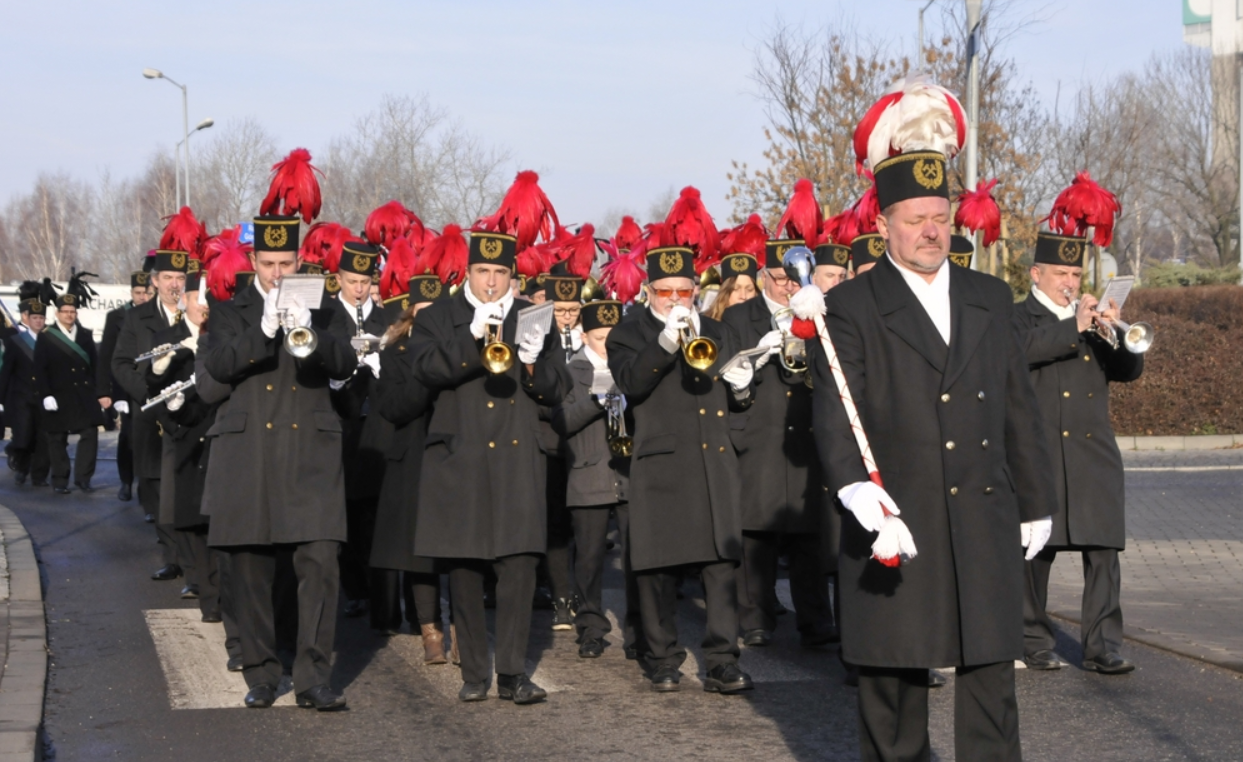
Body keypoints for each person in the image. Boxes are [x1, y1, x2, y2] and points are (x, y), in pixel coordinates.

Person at [810, 80, 1055, 761]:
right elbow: (835, 409)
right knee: (892, 688)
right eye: (914, 217)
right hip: (897, 513)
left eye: (939, 215)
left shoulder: (988, 296)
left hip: (981, 515)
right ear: (883, 223)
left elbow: (1016, 405)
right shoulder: (852, 308)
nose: (929, 230)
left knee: (989, 685)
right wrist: (857, 491)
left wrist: (1035, 498)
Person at [201, 194, 357, 711]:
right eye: (266, 264)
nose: (275, 273)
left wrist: (307, 325)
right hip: (250, 456)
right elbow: (218, 368)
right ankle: (262, 673)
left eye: (284, 264)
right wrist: (265, 328)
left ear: (299, 262)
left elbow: (345, 362)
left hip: (310, 456)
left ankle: (312, 675)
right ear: (252, 263)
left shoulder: (326, 304)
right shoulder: (229, 312)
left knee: (320, 565)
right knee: (251, 568)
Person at [408, 230, 552, 705]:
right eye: (483, 272)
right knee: (465, 567)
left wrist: (532, 366)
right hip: (460, 453)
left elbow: (559, 388)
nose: (492, 283)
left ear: (512, 276)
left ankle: (512, 672)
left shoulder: (532, 314)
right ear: (467, 272)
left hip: (515, 457)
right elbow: (425, 370)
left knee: (519, 565)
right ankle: (474, 670)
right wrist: (472, 337)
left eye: (501, 274)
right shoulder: (442, 316)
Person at [606, 245, 756, 694]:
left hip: (713, 458)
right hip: (663, 462)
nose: (675, 299)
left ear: (696, 290)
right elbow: (631, 383)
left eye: (684, 291)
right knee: (657, 567)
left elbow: (733, 394)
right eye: (666, 291)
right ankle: (661, 656)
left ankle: (723, 660)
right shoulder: (628, 333)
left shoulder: (717, 329)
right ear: (649, 291)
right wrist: (666, 342)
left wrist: (744, 390)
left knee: (720, 563)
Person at [1016, 218, 1142, 676]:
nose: (1069, 283)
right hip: (1041, 451)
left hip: (1093, 455)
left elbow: (1128, 372)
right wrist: (1074, 325)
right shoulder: (1016, 317)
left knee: (1103, 552)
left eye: (1074, 275)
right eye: (1059, 274)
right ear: (1036, 274)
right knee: (1036, 552)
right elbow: (1019, 351)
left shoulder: (1090, 323)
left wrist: (1116, 332)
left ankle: (1103, 645)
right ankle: (1032, 640)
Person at [722, 243, 835, 649]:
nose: (789, 286)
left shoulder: (819, 311)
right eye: (780, 279)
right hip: (760, 432)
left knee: (810, 537)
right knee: (757, 536)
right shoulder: (739, 317)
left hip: (806, 433)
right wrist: (754, 360)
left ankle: (816, 620)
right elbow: (726, 376)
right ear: (763, 279)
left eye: (794, 278)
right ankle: (755, 618)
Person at [549, 299, 640, 659]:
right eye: (600, 337)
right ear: (584, 336)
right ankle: (590, 627)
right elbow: (562, 421)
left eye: (613, 337)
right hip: (588, 474)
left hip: (629, 473)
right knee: (588, 560)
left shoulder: (631, 367)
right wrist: (596, 400)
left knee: (637, 558)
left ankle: (638, 631)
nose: (608, 344)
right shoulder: (570, 371)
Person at [370, 275, 450, 661]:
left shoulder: (456, 346)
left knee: (460, 548)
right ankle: (430, 629)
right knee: (419, 552)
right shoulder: (395, 353)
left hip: (452, 454)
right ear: (411, 313)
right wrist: (425, 374)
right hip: (414, 458)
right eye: (422, 311)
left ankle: (464, 631)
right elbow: (393, 407)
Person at [147, 265, 227, 620]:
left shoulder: (225, 335)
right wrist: (174, 415)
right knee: (194, 523)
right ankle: (204, 591)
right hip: (189, 440)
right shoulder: (172, 340)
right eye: (199, 299)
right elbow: (155, 392)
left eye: (211, 299)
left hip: (221, 438)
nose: (205, 306)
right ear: (187, 300)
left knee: (219, 525)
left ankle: (222, 594)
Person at [113, 249, 191, 577]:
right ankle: (172, 557)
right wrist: (148, 393)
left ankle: (193, 562)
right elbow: (120, 363)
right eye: (168, 278)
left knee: (188, 486)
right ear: (155, 281)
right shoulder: (137, 317)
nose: (174, 284)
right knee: (157, 489)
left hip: (192, 412)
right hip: (152, 416)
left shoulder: (201, 312)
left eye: (180, 278)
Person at [326, 241, 390, 620]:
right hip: (343, 424)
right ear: (339, 279)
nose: (359, 289)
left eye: (365, 281)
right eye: (352, 281)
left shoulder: (385, 319)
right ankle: (354, 587)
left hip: (378, 423)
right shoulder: (328, 317)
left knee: (376, 511)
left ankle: (379, 587)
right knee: (348, 509)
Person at [35, 291, 106, 495]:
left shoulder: (85, 335)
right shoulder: (47, 336)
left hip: (83, 394)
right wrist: (45, 395)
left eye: (72, 311)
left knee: (90, 434)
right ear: (57, 314)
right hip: (58, 395)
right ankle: (60, 479)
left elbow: (95, 365)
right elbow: (40, 369)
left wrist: (100, 391)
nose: (69, 315)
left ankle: (83, 478)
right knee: (57, 438)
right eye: (65, 311)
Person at [97, 270, 152, 502]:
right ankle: (126, 482)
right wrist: (105, 391)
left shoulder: (155, 314)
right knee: (128, 438)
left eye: (146, 293)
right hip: (125, 386)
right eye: (138, 293)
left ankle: (147, 490)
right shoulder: (117, 316)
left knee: (149, 439)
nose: (142, 297)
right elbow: (107, 356)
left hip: (151, 383)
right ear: (131, 293)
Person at [0, 287, 52, 486]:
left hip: (44, 397)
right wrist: (1, 399)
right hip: (22, 397)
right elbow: (7, 372)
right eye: (35, 317)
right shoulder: (16, 342)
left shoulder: (50, 341)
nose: (38, 321)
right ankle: (21, 467)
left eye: (41, 317)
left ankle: (39, 475)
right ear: (27, 319)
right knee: (23, 436)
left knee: (42, 439)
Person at [703, 253, 759, 321]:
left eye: (749, 290)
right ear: (725, 292)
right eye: (736, 289)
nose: (743, 296)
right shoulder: (706, 325)